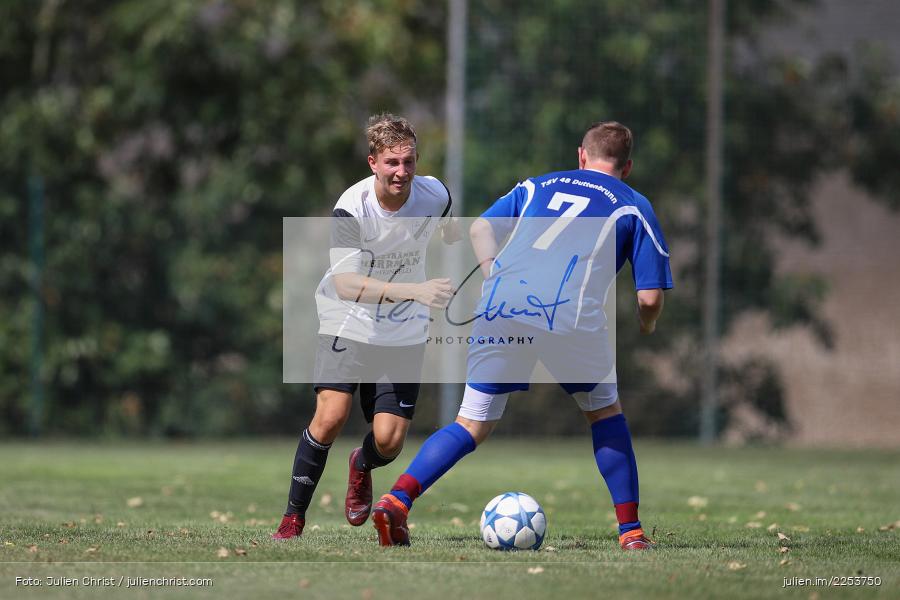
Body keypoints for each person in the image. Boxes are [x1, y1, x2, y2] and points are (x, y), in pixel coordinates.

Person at [371, 121, 673, 550]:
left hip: (502, 306)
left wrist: (495, 277)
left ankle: (397, 500)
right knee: (605, 415)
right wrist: (648, 324)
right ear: (627, 167)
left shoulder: (537, 185)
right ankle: (632, 532)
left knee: (470, 422)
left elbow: (480, 228)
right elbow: (649, 298)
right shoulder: (633, 204)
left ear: (581, 156)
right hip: (568, 314)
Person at [273, 113, 460, 539]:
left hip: (403, 327)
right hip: (348, 317)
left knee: (389, 441)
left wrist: (456, 240)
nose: (402, 172)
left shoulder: (435, 193)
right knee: (331, 416)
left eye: (409, 161)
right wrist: (416, 291)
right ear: (373, 162)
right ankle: (292, 519)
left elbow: (448, 221)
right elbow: (346, 284)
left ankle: (361, 463)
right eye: (392, 162)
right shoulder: (351, 208)